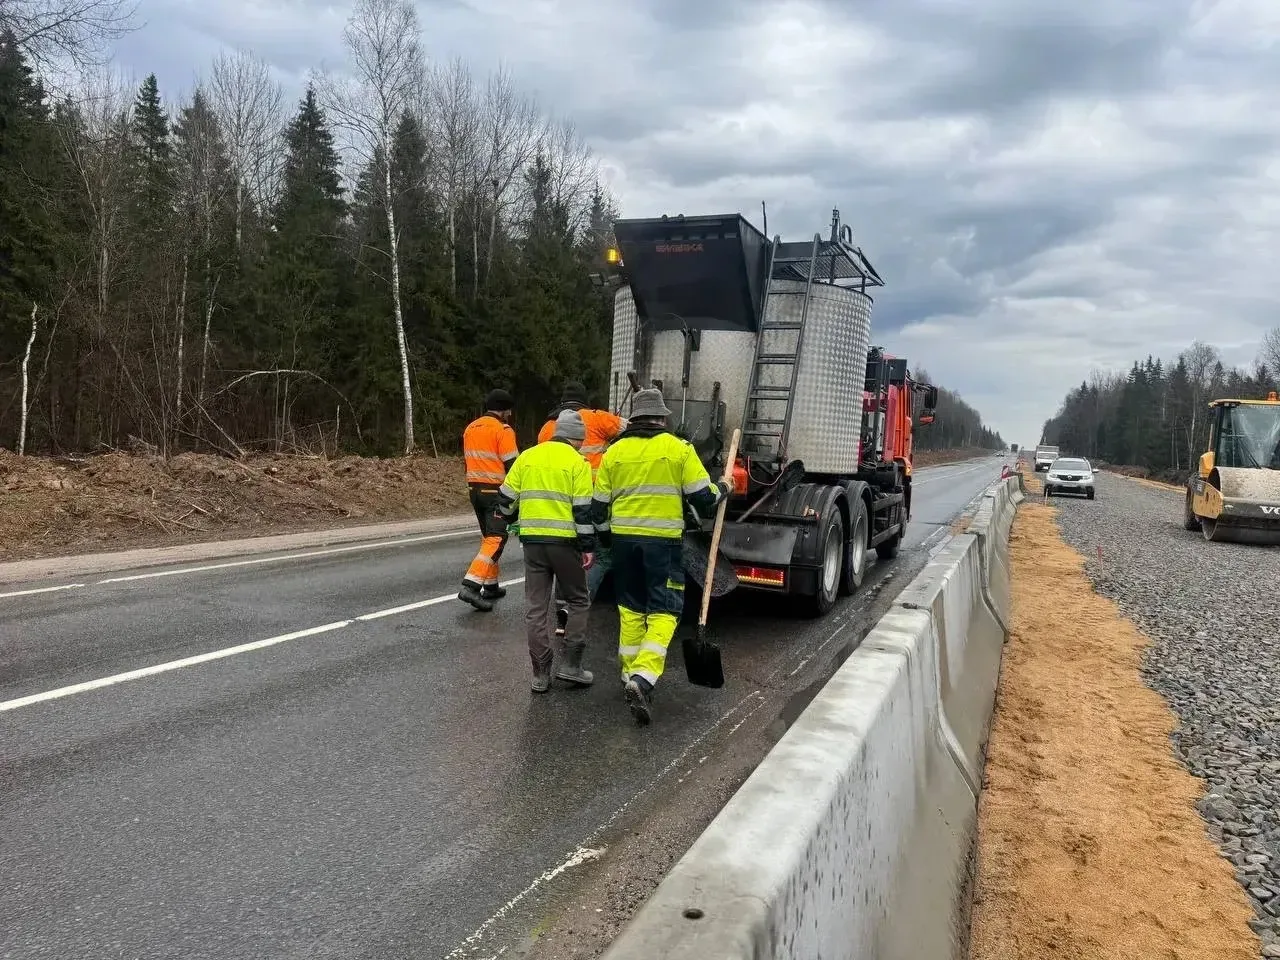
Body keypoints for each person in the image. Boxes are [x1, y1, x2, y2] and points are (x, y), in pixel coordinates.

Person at [591, 388, 731, 725]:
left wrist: (609, 540)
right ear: (663, 418)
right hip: (662, 547)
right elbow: (703, 499)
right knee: (665, 610)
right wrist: (724, 487)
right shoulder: (678, 449)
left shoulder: (614, 453)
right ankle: (643, 677)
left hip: (624, 545)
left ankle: (629, 675)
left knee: (631, 608)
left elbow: (598, 509)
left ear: (634, 419)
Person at [496, 410, 597, 693]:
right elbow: (582, 511)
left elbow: (505, 500)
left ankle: (540, 674)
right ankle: (571, 667)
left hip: (532, 543)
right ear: (577, 439)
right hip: (565, 544)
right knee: (578, 600)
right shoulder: (578, 463)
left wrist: (507, 517)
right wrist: (588, 547)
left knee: (536, 608)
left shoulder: (528, 456)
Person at [537, 381, 628, 640]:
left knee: (563, 561)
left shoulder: (547, 428)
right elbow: (630, 428)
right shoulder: (598, 419)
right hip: (592, 500)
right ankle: (579, 607)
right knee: (598, 557)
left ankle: (561, 615)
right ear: (584, 401)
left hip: (559, 502)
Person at [457, 388, 519, 612]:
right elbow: (514, 466)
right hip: (495, 492)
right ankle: (471, 586)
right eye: (508, 410)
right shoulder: (503, 430)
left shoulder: (471, 428)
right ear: (502, 410)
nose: (510, 415)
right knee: (496, 539)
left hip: (474, 489)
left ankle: (491, 586)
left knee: (488, 538)